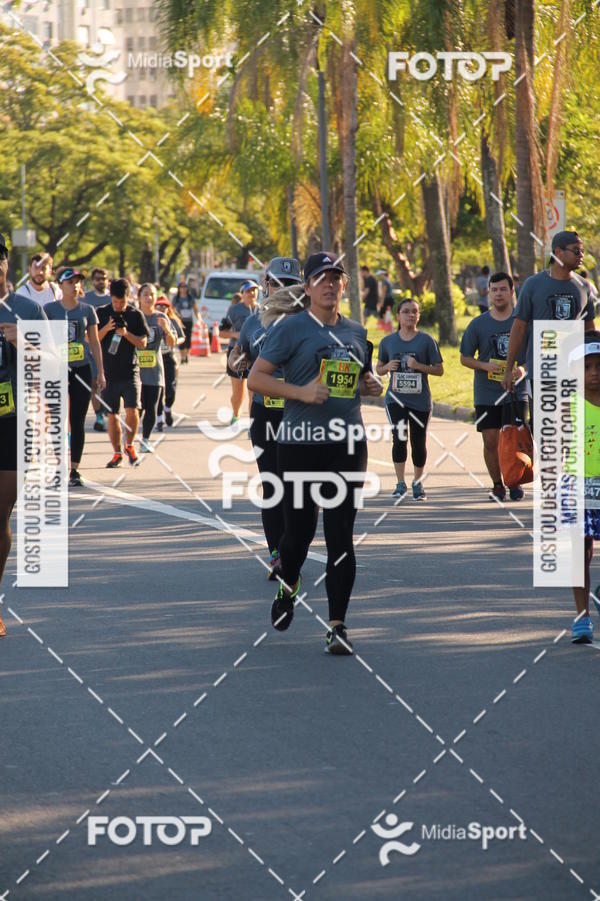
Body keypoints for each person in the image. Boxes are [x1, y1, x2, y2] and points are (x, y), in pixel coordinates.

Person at [249, 251, 382, 655]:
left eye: (335, 278)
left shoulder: (358, 333)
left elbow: (357, 380)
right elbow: (257, 378)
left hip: (346, 445)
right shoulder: (290, 330)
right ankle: (289, 585)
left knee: (341, 535)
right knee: (299, 537)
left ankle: (338, 625)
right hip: (298, 446)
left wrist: (371, 386)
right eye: (320, 278)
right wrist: (301, 393)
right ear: (306, 287)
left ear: (344, 286)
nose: (329, 284)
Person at [237, 257, 305, 580]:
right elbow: (238, 358)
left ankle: (294, 548)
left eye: (290, 284)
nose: (283, 290)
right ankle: (277, 555)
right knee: (273, 485)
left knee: (300, 488)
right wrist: (236, 361)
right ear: (266, 285)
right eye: (277, 283)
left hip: (301, 413)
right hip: (265, 413)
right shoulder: (253, 323)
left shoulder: (311, 323)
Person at [0, 233, 47, 637]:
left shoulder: (27, 308)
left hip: (13, 420)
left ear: (6, 266)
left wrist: (28, 344)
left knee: (2, 511)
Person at [501, 231, 596, 423]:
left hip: (574, 373)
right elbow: (518, 328)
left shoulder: (584, 286)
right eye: (576, 251)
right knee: (545, 434)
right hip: (542, 372)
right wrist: (509, 369)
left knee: (572, 434)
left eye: (582, 251)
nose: (581, 256)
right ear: (558, 252)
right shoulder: (533, 285)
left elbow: (590, 334)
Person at [460, 272, 527, 501]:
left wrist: (523, 370)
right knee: (491, 440)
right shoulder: (478, 324)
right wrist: (485, 366)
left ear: (511, 291)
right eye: (494, 290)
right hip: (486, 392)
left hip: (516, 391)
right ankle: (497, 484)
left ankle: (514, 481)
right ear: (489, 292)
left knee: (513, 439)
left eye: (503, 289)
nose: (498, 294)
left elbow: (535, 354)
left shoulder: (522, 322)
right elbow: (464, 358)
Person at [376, 298, 443, 500]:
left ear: (419, 315)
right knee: (400, 438)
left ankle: (417, 482)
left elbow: (439, 370)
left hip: (420, 400)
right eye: (406, 311)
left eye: (414, 311)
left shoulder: (426, 341)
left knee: (418, 440)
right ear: (398, 315)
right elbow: (378, 369)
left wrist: (418, 366)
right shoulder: (388, 341)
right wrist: (387, 368)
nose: (410, 315)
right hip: (395, 399)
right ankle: (400, 483)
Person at [45, 268, 105, 487]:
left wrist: (100, 372)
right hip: (56, 371)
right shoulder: (49, 310)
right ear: (60, 285)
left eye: (78, 282)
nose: (75, 286)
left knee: (77, 420)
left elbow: (95, 343)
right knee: (57, 420)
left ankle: (74, 470)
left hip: (81, 370)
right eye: (70, 282)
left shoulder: (87, 310)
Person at [564, 332, 600, 643]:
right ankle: (582, 618)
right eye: (587, 367)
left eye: (599, 366)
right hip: (577, 487)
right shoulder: (568, 406)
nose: (594, 373)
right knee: (581, 553)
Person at [96, 278, 149, 468]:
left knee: (132, 409)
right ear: (111, 297)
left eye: (122, 302)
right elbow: (89, 338)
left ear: (128, 298)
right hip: (109, 372)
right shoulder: (102, 313)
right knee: (112, 414)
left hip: (130, 371)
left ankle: (130, 445)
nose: (118, 306)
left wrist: (125, 333)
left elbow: (143, 343)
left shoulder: (135, 314)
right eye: (115, 302)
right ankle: (117, 453)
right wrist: (107, 328)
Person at [138, 283, 176, 451]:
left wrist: (166, 329)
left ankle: (145, 440)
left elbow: (172, 343)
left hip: (155, 369)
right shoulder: (134, 315)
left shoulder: (161, 317)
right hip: (136, 369)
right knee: (136, 408)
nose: (149, 298)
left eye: (152, 294)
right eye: (145, 294)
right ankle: (129, 440)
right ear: (139, 297)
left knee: (152, 408)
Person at [220, 280, 259, 423]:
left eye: (254, 290)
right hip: (237, 353)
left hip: (257, 353)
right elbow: (221, 333)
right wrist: (235, 335)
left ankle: (252, 423)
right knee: (238, 394)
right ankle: (236, 414)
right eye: (248, 291)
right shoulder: (234, 310)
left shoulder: (263, 310)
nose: (252, 293)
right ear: (242, 294)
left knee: (254, 392)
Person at [84, 267, 111, 432]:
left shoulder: (112, 297)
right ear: (93, 281)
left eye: (104, 278)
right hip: (91, 347)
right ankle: (99, 415)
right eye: (98, 278)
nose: (101, 281)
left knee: (109, 383)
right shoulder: (86, 298)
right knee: (94, 383)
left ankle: (109, 410)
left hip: (110, 349)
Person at [156, 296, 185, 430]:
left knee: (170, 389)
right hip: (155, 358)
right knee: (157, 389)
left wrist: (173, 342)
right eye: (159, 305)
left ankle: (167, 408)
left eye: (164, 306)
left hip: (169, 357)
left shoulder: (172, 320)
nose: (162, 308)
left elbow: (181, 338)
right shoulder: (151, 319)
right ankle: (159, 419)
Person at [173, 279, 199, 363]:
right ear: (179, 288)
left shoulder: (190, 297)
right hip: (180, 321)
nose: (183, 289)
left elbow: (195, 309)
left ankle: (186, 354)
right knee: (181, 338)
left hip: (189, 321)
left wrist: (199, 319)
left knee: (188, 339)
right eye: (181, 287)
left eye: (185, 287)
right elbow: (172, 309)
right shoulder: (176, 298)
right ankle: (182, 357)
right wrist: (175, 316)